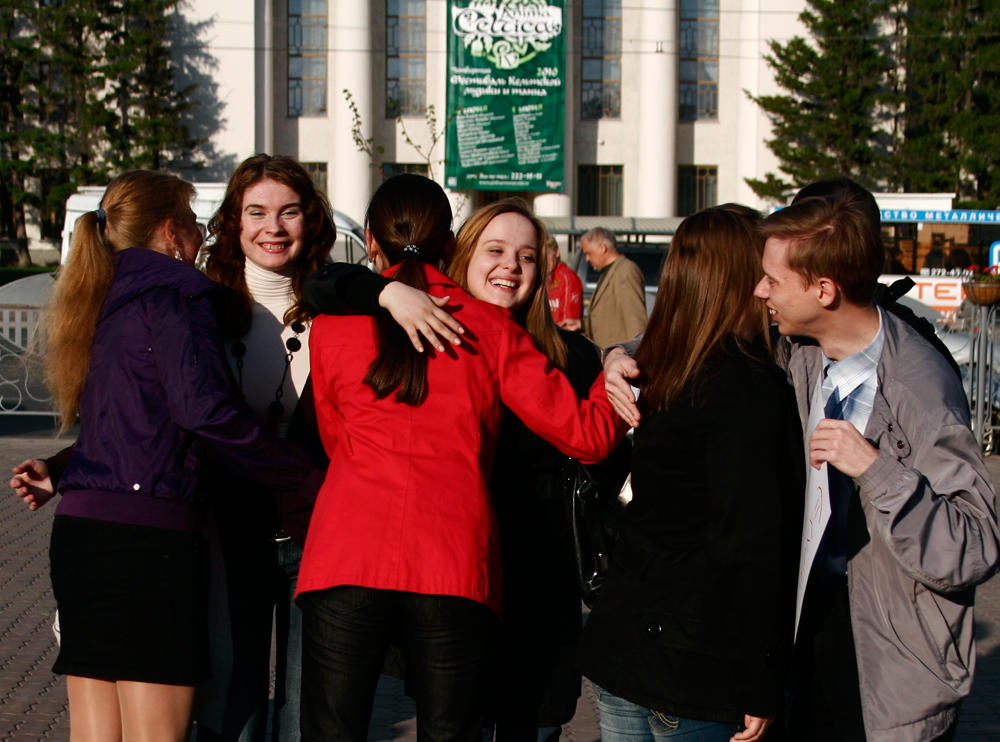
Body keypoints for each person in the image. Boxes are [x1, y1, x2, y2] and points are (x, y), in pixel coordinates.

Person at [295, 174, 626, 741]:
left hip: (345, 548)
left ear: (370, 241)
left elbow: (332, 437)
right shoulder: (489, 327)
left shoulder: (332, 326)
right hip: (451, 554)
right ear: (451, 244)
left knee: (331, 731)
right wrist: (609, 373)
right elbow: (588, 437)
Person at [11, 170, 321, 742]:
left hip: (82, 533)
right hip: (150, 541)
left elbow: (126, 421)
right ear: (172, 231)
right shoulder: (177, 292)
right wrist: (308, 476)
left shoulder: (102, 296)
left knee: (94, 733)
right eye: (194, 222)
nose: (202, 235)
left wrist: (60, 468)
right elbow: (203, 411)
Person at [752, 190, 999, 742]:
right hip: (811, 634)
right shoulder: (805, 348)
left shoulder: (921, 388)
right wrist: (629, 354)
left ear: (824, 290)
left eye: (772, 280)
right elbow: (709, 333)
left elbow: (975, 546)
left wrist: (877, 470)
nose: (759, 291)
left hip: (890, 666)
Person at [574, 206, 803, 742]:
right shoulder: (742, 385)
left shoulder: (664, 369)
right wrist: (761, 677)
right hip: (693, 662)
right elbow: (746, 542)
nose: (769, 288)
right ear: (739, 279)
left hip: (627, 643)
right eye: (764, 272)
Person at [196, 153, 337, 742]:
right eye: (256, 212)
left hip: (319, 533)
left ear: (311, 220)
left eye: (289, 212)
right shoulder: (203, 307)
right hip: (231, 533)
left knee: (309, 707)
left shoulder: (340, 307)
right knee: (235, 700)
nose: (273, 228)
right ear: (234, 221)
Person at [580, 227, 646, 347]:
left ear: (602, 248)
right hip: (606, 353)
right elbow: (609, 317)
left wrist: (635, 352)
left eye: (588, 253)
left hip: (621, 353)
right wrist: (581, 324)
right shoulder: (608, 271)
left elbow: (635, 321)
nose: (587, 259)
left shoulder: (625, 271)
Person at [546, 234, 583, 331]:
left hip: (560, 335)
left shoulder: (568, 278)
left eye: (547, 254)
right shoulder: (544, 277)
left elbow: (570, 320)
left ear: (557, 252)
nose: (545, 260)